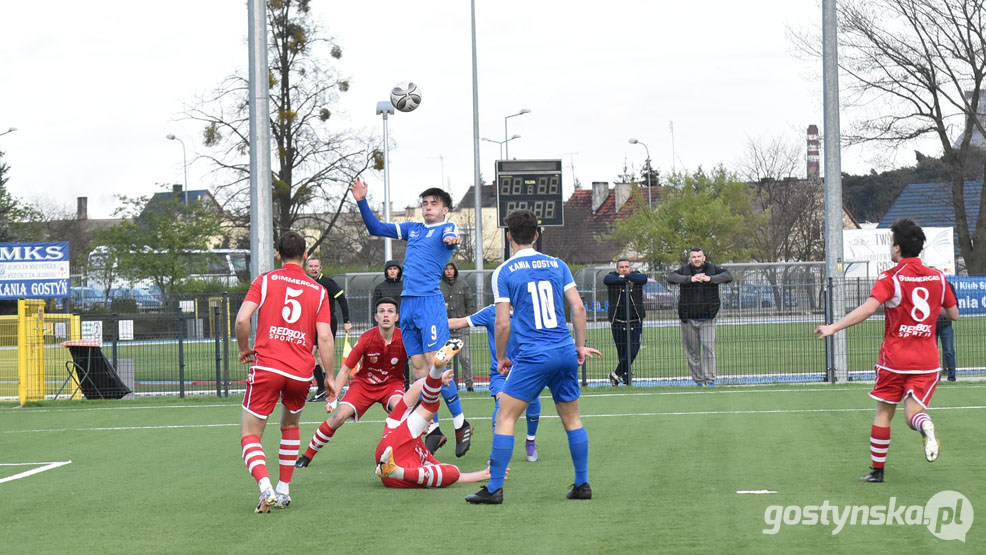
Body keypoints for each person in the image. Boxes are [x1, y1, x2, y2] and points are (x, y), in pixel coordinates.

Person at [465, 210, 601, 505]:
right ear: (537, 235)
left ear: (509, 235)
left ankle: (495, 488)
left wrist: (501, 357)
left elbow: (502, 323)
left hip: (533, 355)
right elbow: (578, 309)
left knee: (505, 415)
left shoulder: (504, 271)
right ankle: (582, 483)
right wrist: (579, 346)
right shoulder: (558, 264)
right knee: (573, 419)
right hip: (563, 350)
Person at [815, 218, 958, 483]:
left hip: (895, 360)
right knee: (912, 414)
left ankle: (877, 472)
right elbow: (954, 314)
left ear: (897, 249)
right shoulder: (938, 277)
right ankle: (924, 424)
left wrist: (834, 327)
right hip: (926, 360)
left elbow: (868, 309)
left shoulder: (890, 278)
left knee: (884, 412)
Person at [351, 177, 472, 458]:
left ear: (444, 210)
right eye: (425, 203)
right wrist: (361, 201)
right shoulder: (413, 229)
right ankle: (435, 430)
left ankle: (461, 423)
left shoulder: (446, 227)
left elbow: (450, 236)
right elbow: (376, 228)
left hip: (430, 303)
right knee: (419, 370)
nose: (428, 207)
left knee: (435, 365)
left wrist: (452, 239)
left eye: (434, 204)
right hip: (408, 304)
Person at [234, 231, 335, 513]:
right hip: (301, 373)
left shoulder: (265, 281)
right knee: (290, 426)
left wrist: (244, 348)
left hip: (267, 366)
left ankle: (265, 486)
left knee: (250, 434)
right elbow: (324, 338)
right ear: (305, 256)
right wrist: (329, 376)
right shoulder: (318, 290)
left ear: (278, 254)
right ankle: (284, 490)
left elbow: (243, 319)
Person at [295, 297, 406, 469]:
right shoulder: (366, 339)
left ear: (397, 317)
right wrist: (333, 397)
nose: (386, 315)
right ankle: (307, 455)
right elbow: (346, 370)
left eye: (390, 311)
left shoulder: (405, 337)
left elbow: (419, 363)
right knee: (339, 417)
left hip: (392, 384)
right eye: (382, 311)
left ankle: (402, 457)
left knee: (402, 412)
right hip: (364, 385)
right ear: (375, 317)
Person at [375, 339, 498, 489]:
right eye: (428, 420)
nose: (431, 422)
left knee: (452, 471)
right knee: (431, 406)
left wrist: (483, 474)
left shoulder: (423, 452)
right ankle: (436, 369)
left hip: (396, 478)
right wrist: (437, 377)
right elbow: (415, 389)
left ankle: (396, 471)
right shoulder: (397, 422)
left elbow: (447, 474)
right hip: (389, 457)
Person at [450, 304, 542, 462]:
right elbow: (461, 322)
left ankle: (530, 442)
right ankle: (497, 452)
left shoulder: (529, 308)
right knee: (501, 407)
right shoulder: (491, 312)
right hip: (500, 373)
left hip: (525, 371)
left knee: (533, 404)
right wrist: (431, 323)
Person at [666, 247, 733, 387]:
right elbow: (671, 277)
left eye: (699, 256)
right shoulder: (684, 270)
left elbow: (728, 276)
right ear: (690, 259)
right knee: (693, 352)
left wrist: (710, 279)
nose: (696, 259)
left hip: (708, 318)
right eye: (694, 257)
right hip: (688, 319)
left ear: (704, 258)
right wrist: (690, 279)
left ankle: (710, 380)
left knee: (708, 348)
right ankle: (698, 381)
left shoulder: (713, 269)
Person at [306, 257, 352, 402]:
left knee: (321, 355)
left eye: (316, 266)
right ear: (307, 268)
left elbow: (342, 299)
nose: (313, 268)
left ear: (321, 268)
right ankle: (322, 388)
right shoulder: (306, 283)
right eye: (311, 266)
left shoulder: (327, 282)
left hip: (327, 322)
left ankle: (327, 389)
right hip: (311, 323)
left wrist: (346, 320)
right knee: (309, 356)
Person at [603, 258, 647, 386]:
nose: (624, 269)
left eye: (626, 266)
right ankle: (626, 378)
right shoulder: (612, 277)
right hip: (617, 320)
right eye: (621, 267)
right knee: (622, 351)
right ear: (617, 269)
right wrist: (625, 280)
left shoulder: (637, 276)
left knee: (633, 350)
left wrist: (627, 278)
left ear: (630, 268)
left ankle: (615, 374)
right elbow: (607, 280)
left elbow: (643, 278)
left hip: (635, 320)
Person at [441, 261, 476, 392]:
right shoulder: (439, 285)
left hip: (461, 327)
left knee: (465, 358)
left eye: (451, 269)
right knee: (446, 359)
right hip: (445, 328)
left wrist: (467, 320)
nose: (449, 271)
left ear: (455, 270)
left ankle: (469, 384)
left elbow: (470, 303)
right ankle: (449, 384)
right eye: (446, 269)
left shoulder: (463, 284)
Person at [936, 278, 958, 381]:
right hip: (931, 324)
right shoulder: (925, 285)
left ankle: (952, 377)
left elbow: (955, 303)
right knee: (932, 352)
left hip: (946, 323)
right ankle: (935, 377)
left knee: (949, 351)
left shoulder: (948, 286)